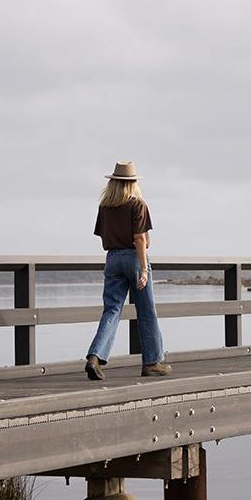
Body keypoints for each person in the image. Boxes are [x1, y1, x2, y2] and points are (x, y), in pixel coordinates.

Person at [85, 161, 170, 380]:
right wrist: (143, 269)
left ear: (113, 182)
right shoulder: (137, 204)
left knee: (112, 310)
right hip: (134, 258)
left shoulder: (104, 207)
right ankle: (152, 362)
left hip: (112, 258)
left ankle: (95, 356)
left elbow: (104, 236)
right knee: (146, 311)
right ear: (132, 183)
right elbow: (141, 239)